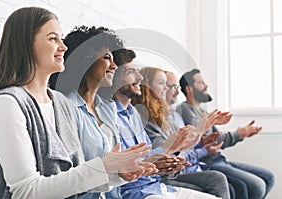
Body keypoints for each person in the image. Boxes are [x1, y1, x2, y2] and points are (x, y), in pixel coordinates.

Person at [0, 7, 151, 199]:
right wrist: (103, 166)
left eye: (61, 38)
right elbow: (25, 191)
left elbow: (72, 180)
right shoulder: (8, 103)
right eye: (53, 39)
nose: (63, 46)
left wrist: (114, 175)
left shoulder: (60, 102)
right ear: (26, 44)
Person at [112, 49, 221, 199]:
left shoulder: (134, 115)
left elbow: (153, 155)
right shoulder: (115, 116)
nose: (139, 77)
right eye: (131, 72)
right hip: (138, 191)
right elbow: (128, 165)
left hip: (156, 185)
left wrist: (178, 148)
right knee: (218, 179)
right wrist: (171, 148)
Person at [130, 66, 229, 199]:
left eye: (168, 85)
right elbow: (168, 155)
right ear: (147, 88)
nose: (167, 88)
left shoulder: (167, 116)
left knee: (230, 182)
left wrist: (198, 143)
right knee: (219, 179)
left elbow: (177, 150)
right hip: (166, 176)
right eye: (162, 84)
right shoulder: (145, 120)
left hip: (178, 170)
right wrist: (199, 138)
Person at [177, 68, 275, 199]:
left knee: (268, 177)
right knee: (257, 185)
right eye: (201, 83)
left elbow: (218, 140)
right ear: (189, 89)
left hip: (219, 159)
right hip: (207, 162)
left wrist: (241, 134)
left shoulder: (201, 111)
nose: (206, 85)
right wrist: (238, 134)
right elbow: (207, 140)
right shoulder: (185, 110)